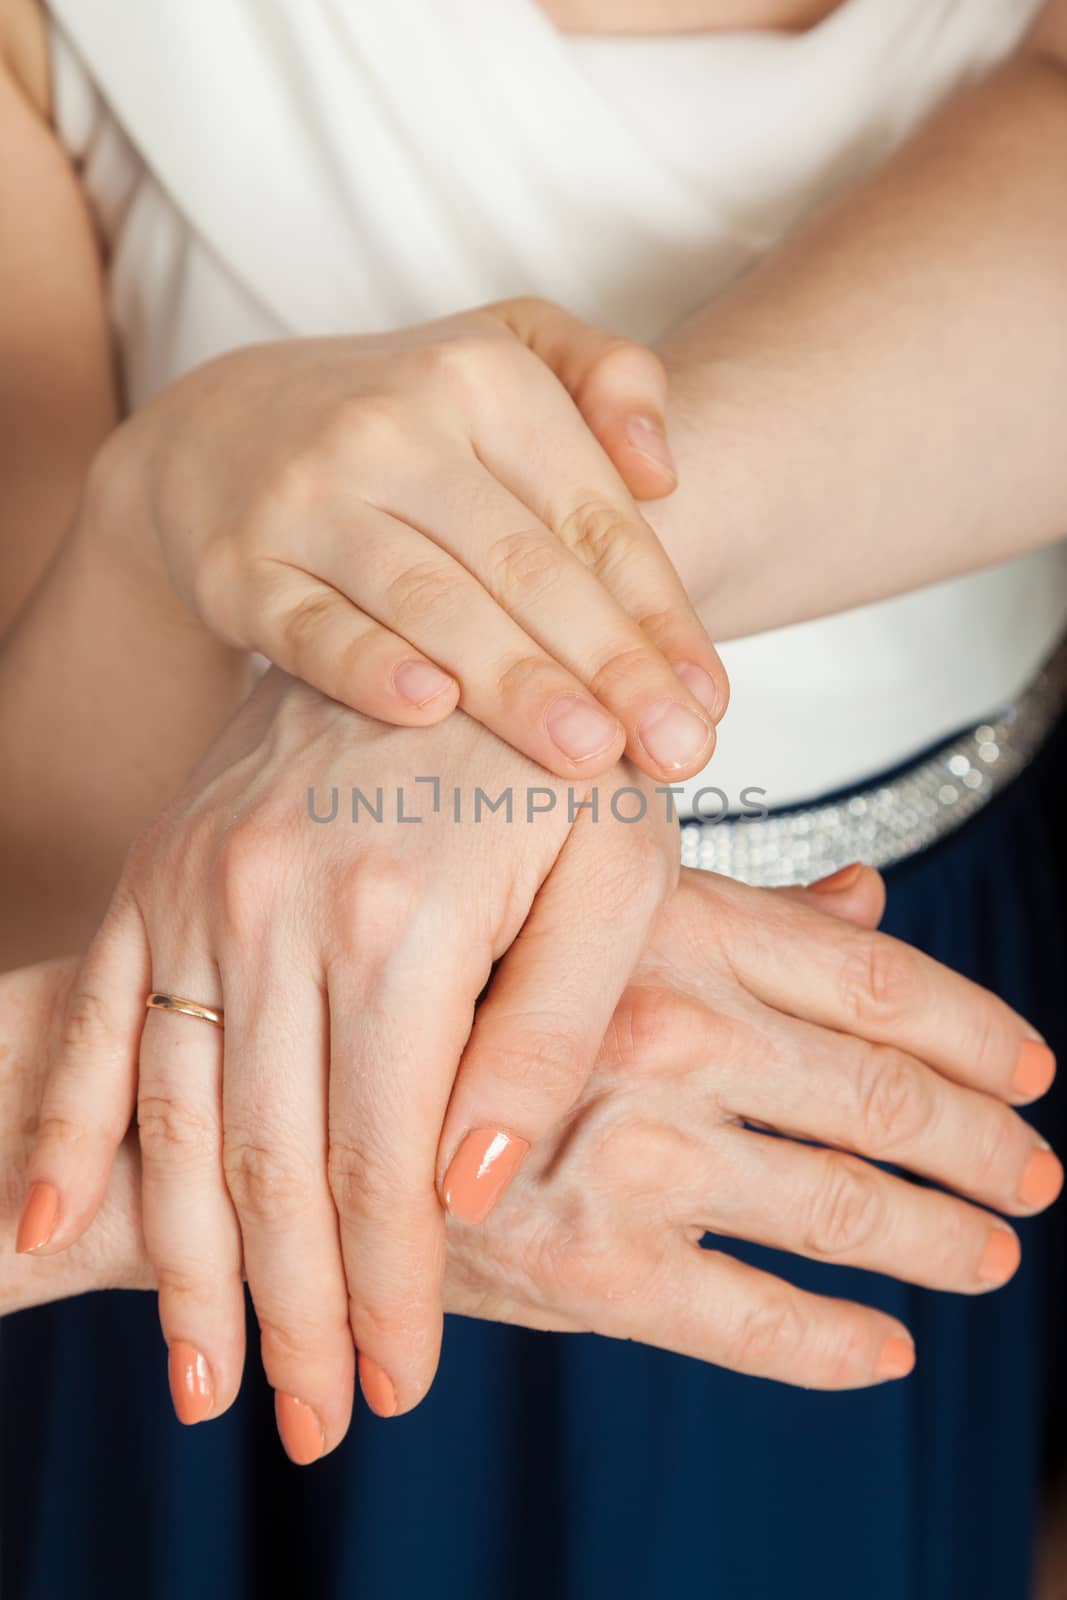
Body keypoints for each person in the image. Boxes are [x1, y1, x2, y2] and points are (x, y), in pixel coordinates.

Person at [2, 0, 1067, 1594]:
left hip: (903, 1030)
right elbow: (34, 868)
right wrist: (154, 521)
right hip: (211, 1045)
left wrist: (497, 644)